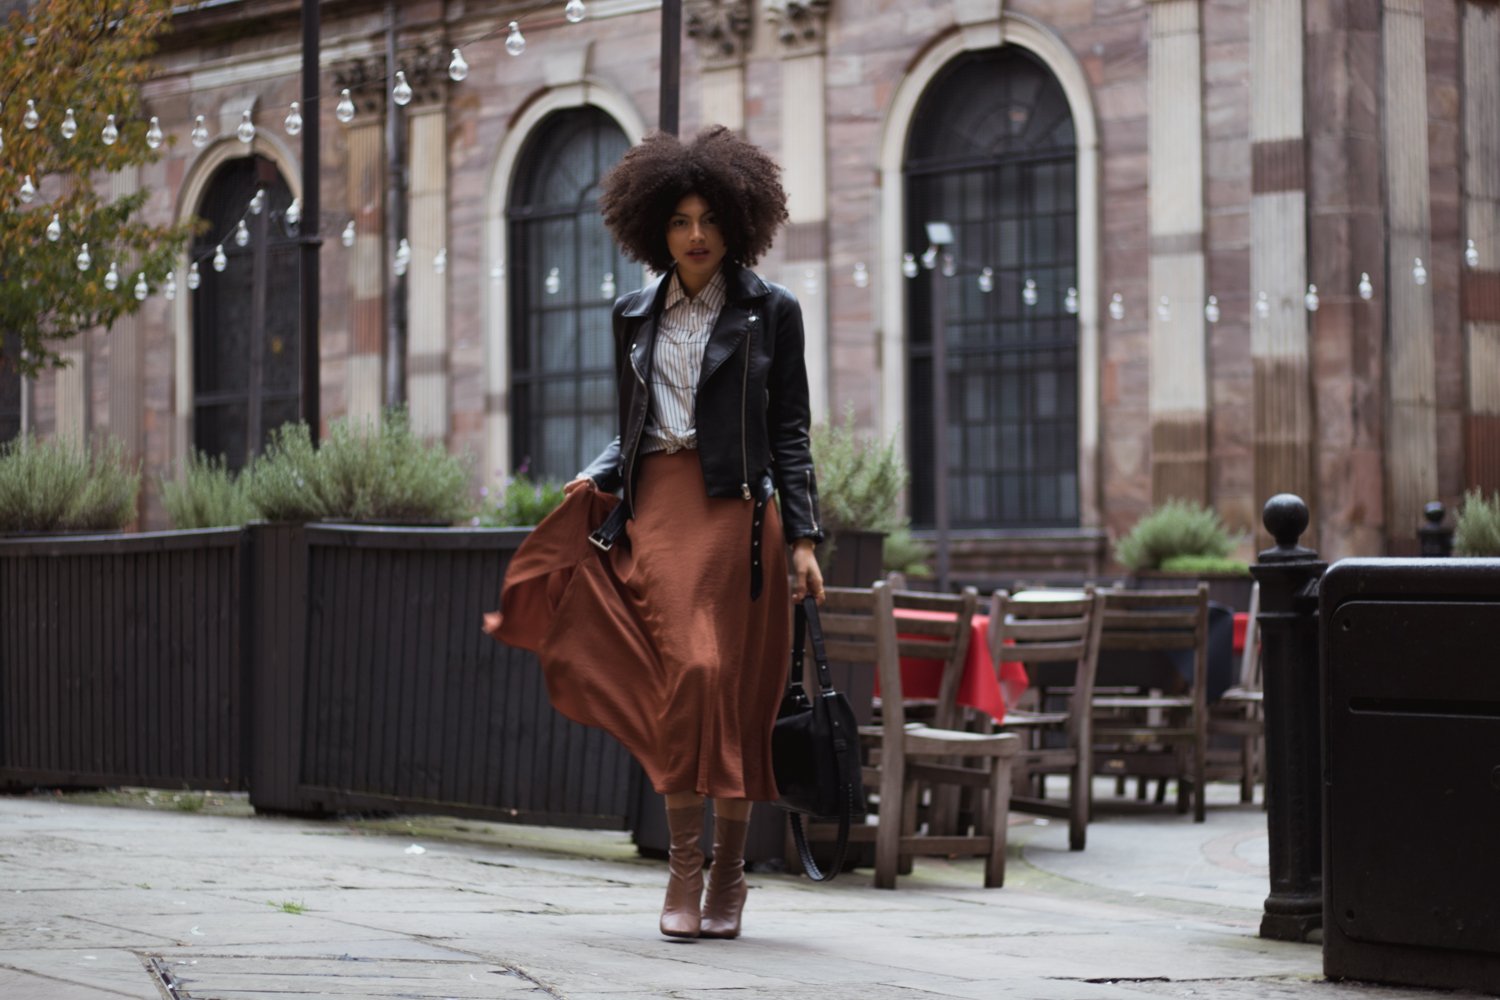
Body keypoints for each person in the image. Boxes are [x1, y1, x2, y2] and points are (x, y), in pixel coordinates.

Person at [487, 125, 825, 941]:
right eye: (679, 219)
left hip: (740, 516)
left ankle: (730, 878)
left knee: (736, 694)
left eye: (710, 218)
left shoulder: (771, 312)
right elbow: (637, 421)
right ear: (655, 228)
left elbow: (791, 431)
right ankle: (683, 867)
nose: (697, 234)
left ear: (738, 222)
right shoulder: (631, 312)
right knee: (692, 674)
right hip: (659, 510)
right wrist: (600, 470)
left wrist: (807, 537)